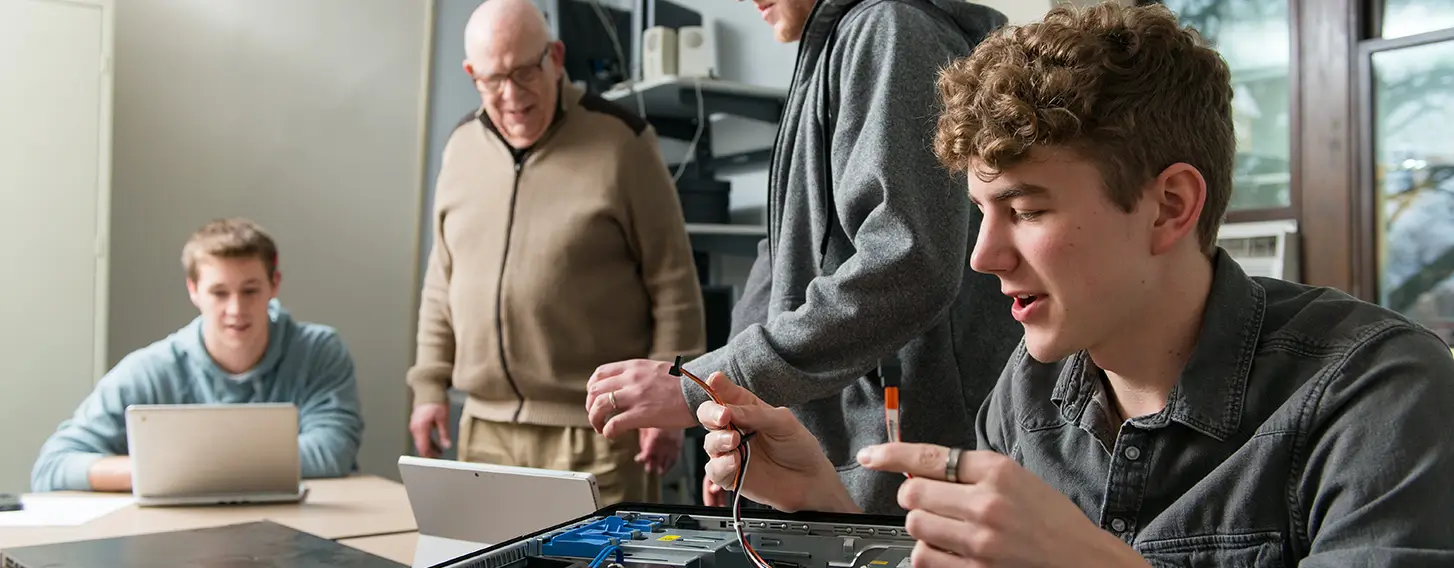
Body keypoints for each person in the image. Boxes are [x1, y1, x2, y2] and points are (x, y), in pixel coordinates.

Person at [693, 2, 1454, 564]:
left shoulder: (1381, 395)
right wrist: (823, 505)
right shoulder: (1024, 395)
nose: (983, 256)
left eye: (1025, 209)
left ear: (1170, 208)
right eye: (981, 213)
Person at [584, 0, 1021, 512]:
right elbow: (779, 256)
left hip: (907, 460)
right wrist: (732, 409)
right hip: (845, 463)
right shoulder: (830, 49)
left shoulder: (890, 32)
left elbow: (909, 263)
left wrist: (698, 388)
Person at [405, 0, 705, 506]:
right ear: (471, 74)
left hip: (598, 434)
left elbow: (673, 282)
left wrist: (671, 402)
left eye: (526, 72)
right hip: (483, 432)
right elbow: (443, 282)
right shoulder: (460, 147)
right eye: (493, 79)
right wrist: (429, 386)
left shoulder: (623, 142)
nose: (512, 95)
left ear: (556, 57)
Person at [31, 218, 365, 492]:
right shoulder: (151, 370)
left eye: (250, 291)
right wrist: (154, 471)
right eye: (219, 293)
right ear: (193, 290)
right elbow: (54, 465)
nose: (236, 309)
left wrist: (187, 470)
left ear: (274, 284)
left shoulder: (318, 351)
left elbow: (331, 451)